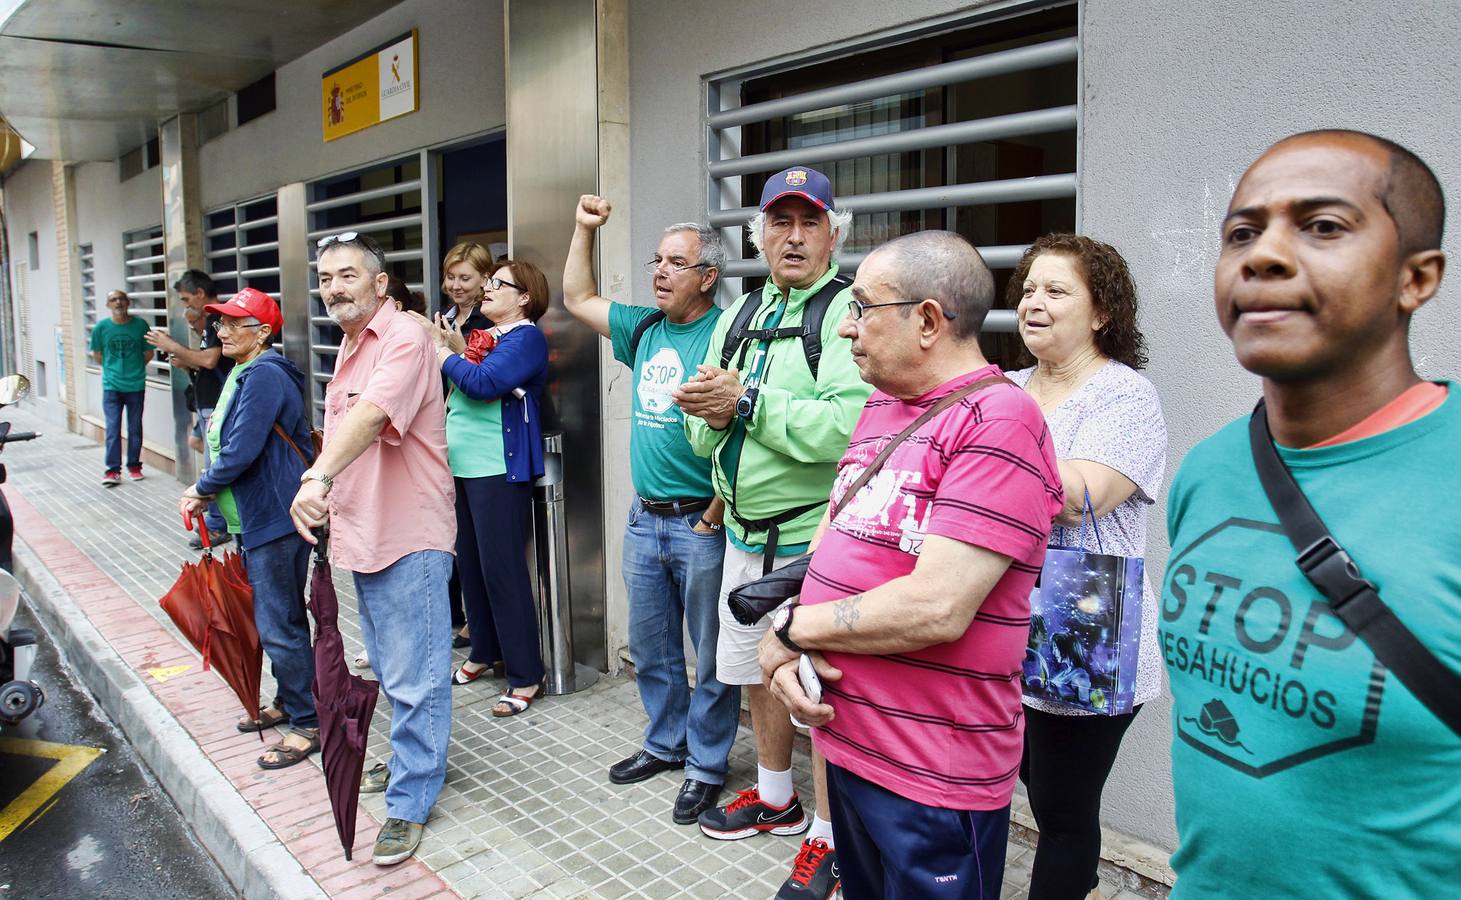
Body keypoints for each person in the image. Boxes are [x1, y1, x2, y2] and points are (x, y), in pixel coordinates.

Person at [1162, 130, 1455, 898]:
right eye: (1241, 233)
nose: (1262, 256)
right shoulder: (1208, 469)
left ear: (1415, 278)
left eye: (1323, 227)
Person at [759, 231, 1063, 900]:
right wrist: (785, 648)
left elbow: (936, 606)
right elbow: (838, 541)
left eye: (860, 306)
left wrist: (790, 631)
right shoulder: (881, 406)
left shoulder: (999, 419)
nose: (844, 328)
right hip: (849, 754)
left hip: (931, 779)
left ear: (926, 320)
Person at [675, 165, 871, 898]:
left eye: (808, 222)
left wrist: (749, 401)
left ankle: (830, 836)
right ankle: (777, 799)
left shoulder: (850, 310)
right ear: (759, 233)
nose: (792, 237)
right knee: (759, 672)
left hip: (811, 542)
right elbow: (706, 423)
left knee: (817, 691)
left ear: (832, 234)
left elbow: (849, 429)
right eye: (779, 223)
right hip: (741, 534)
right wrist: (709, 413)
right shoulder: (741, 310)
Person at [563, 194, 737, 826]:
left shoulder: (728, 331)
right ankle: (666, 743)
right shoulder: (646, 328)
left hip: (703, 521)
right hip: (645, 516)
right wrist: (584, 229)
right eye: (656, 261)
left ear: (708, 277)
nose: (659, 272)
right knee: (652, 643)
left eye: (675, 263)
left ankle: (706, 766)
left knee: (711, 652)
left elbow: (742, 432)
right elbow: (578, 299)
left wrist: (717, 508)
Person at [1005, 234, 1167, 900]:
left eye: (1055, 290)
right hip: (1006, 613)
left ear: (1101, 312)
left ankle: (1073, 883)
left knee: (1064, 813)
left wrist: (979, 460)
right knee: (1028, 778)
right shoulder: (1008, 387)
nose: (1032, 303)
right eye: (1027, 289)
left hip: (1086, 624)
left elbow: (1076, 496)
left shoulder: (1123, 397)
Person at [288, 232, 456, 867]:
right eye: (326, 277)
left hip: (408, 532)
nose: (335, 287)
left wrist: (316, 478)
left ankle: (412, 799)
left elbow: (372, 417)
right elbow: (342, 432)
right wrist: (331, 500)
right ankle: (417, 760)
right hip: (365, 534)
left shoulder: (407, 338)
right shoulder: (352, 346)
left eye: (348, 275)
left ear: (380, 284)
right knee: (389, 667)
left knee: (417, 675)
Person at [178, 288, 319, 770]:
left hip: (275, 515)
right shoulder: (243, 370)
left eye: (233, 323)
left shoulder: (263, 374)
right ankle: (291, 699)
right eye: (219, 323)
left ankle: (308, 721)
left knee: (279, 621)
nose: (221, 331)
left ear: (261, 333)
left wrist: (200, 488)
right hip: (256, 514)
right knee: (276, 616)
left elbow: (240, 450)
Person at [412, 257, 550, 718]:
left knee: (502, 569)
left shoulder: (526, 337)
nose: (487, 289)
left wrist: (444, 353)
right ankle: (484, 651)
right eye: (487, 282)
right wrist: (453, 350)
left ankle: (526, 673)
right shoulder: (486, 336)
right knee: (470, 565)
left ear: (524, 296)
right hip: (463, 465)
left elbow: (484, 383)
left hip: (498, 468)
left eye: (497, 284)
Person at [148, 270, 236, 547]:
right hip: (206, 404)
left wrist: (171, 345)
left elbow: (211, 360)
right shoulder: (207, 324)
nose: (186, 307)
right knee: (200, 445)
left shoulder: (215, 320)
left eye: (187, 300)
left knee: (214, 467)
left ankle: (218, 525)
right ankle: (222, 508)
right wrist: (186, 360)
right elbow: (205, 360)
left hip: (217, 405)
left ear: (200, 294)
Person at [90, 289, 153, 486]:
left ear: (127, 303)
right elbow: (98, 355)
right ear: (108, 305)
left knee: (135, 427)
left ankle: (134, 466)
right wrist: (113, 370)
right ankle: (112, 470)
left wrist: (134, 369)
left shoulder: (140, 325)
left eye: (121, 299)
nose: (118, 303)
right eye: (113, 300)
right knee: (112, 428)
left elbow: (148, 353)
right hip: (112, 387)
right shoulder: (101, 328)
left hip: (135, 385)